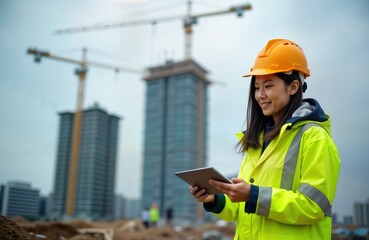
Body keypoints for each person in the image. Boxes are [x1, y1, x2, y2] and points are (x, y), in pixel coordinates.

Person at [189, 38, 340, 240]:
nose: (260, 95)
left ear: (293, 87)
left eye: (268, 86)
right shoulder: (258, 141)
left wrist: (253, 194)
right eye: (257, 87)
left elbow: (313, 207)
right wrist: (213, 199)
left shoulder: (315, 138)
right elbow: (240, 210)